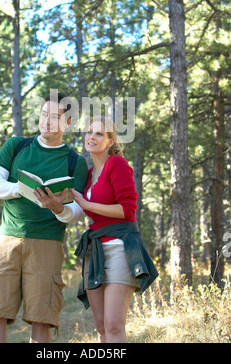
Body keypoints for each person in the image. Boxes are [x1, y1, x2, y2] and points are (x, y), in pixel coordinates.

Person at [0, 92, 88, 343]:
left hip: (47, 243)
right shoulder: (16, 145)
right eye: (43, 115)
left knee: (42, 319)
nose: (47, 121)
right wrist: (22, 189)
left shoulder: (75, 162)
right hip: (7, 240)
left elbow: (78, 211)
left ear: (67, 123)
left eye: (55, 117)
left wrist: (57, 207)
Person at [71, 116, 158, 343]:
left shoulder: (117, 164)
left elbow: (128, 210)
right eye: (89, 132)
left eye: (99, 133)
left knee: (113, 325)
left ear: (110, 142)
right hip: (95, 250)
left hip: (120, 246)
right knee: (101, 327)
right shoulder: (89, 174)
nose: (92, 136)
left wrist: (87, 205)